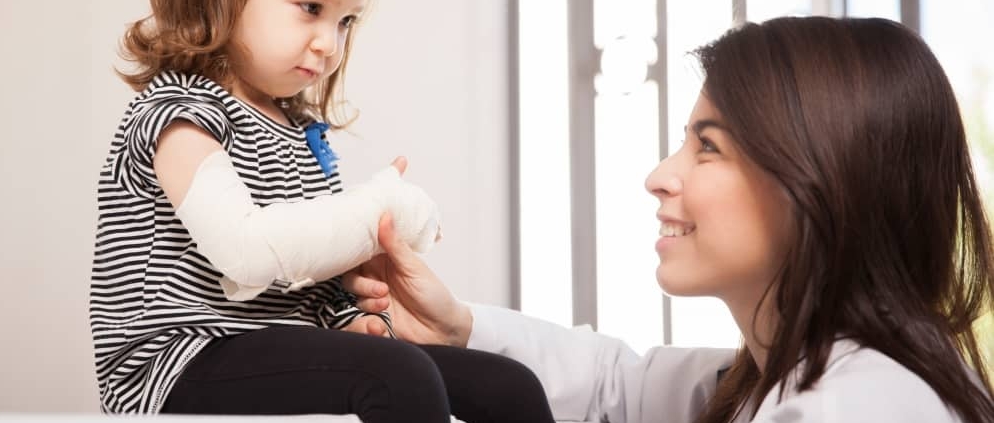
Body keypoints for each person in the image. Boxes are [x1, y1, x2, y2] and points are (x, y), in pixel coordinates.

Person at [345, 16, 994, 422]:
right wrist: (458, 324)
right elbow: (614, 388)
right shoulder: (781, 375)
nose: (659, 175)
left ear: (820, 179)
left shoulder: (861, 406)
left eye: (707, 145)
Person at [89, 0, 554, 421]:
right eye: (310, 8)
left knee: (508, 385)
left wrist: (345, 317)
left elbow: (311, 277)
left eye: (345, 21)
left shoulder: (302, 130)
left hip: (271, 341)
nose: (329, 43)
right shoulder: (179, 114)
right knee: (398, 376)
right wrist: (372, 212)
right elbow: (247, 252)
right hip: (175, 360)